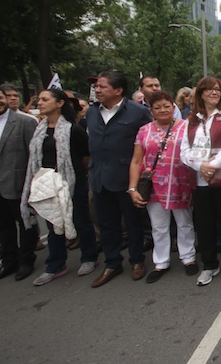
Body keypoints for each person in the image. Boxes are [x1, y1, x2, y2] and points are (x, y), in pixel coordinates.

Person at [21, 89, 98, 286]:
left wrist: (71, 176)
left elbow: (85, 156)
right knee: (53, 222)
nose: (41, 103)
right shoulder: (39, 130)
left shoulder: (73, 130)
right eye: (39, 100)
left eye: (45, 100)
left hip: (72, 181)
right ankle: (55, 265)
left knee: (81, 220)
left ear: (59, 103)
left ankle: (89, 257)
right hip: (46, 182)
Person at [87, 71, 152, 288]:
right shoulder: (92, 113)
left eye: (102, 86)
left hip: (126, 178)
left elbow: (148, 143)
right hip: (99, 178)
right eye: (97, 87)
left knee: (133, 222)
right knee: (107, 224)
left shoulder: (138, 112)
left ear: (118, 90)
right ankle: (112, 262)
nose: (97, 90)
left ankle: (137, 261)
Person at [128, 90, 197, 283]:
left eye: (167, 106)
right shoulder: (144, 131)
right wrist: (132, 188)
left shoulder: (186, 126)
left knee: (184, 223)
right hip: (154, 186)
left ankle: (188, 258)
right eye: (157, 107)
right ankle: (161, 262)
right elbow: (136, 160)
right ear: (151, 111)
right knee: (158, 226)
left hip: (180, 184)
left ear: (173, 107)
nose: (163, 110)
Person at [181, 76, 221, 287]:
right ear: (200, 94)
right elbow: (184, 151)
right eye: (209, 90)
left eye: (217, 89)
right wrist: (201, 167)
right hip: (200, 181)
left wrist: (212, 165)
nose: (214, 92)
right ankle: (210, 265)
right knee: (204, 225)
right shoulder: (191, 120)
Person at [0, 85, 38, 284]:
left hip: (17, 180)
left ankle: (27, 260)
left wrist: (33, 182)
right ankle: (8, 261)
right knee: (2, 224)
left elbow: (34, 155)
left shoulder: (24, 122)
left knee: (25, 221)